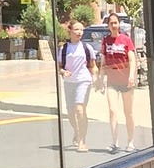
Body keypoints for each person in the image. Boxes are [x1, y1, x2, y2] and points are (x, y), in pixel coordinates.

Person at [100, 10, 139, 152]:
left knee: (128, 112)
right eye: (111, 23)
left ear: (119, 24)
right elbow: (103, 61)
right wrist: (100, 77)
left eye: (115, 23)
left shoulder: (125, 39)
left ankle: (131, 142)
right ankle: (115, 142)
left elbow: (132, 59)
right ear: (108, 25)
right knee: (112, 110)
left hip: (125, 80)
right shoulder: (105, 41)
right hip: (112, 81)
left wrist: (132, 76)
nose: (113, 25)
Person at [57, 18, 96, 152]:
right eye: (76, 30)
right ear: (70, 31)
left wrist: (96, 78)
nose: (79, 32)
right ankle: (77, 131)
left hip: (83, 81)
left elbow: (92, 66)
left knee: (80, 109)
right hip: (69, 83)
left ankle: (82, 141)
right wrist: (63, 72)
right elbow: (59, 67)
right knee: (70, 113)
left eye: (81, 30)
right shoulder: (64, 49)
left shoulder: (87, 48)